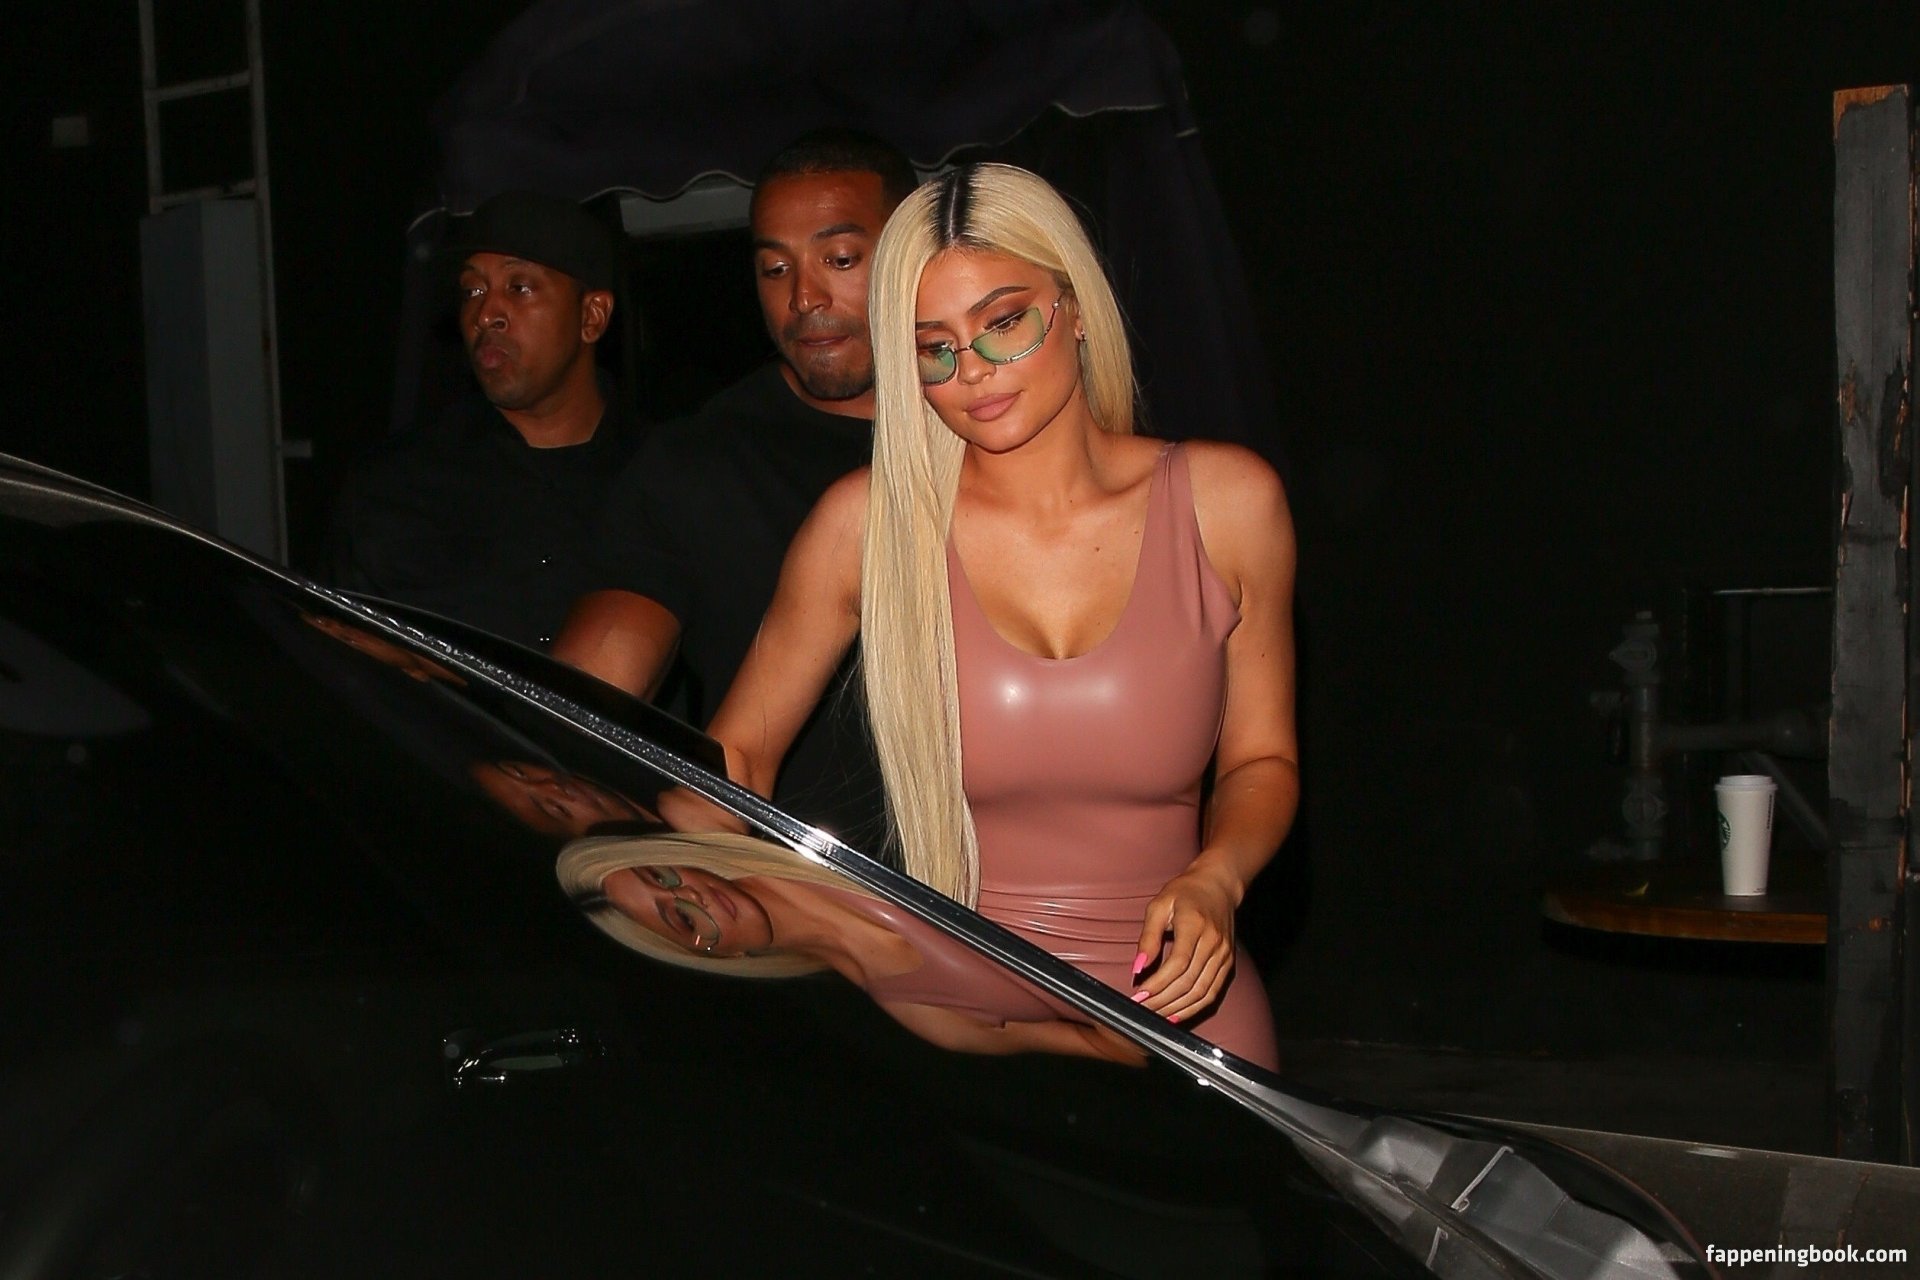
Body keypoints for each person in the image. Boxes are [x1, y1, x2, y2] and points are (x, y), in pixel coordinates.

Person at [689, 164, 1297, 1070]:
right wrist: (651, 876)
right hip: (960, 1014)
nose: (972, 370)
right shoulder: (869, 526)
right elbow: (730, 765)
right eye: (933, 347)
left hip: (1176, 1000)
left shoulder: (1227, 503)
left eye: (1004, 323)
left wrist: (1218, 875)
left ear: (1075, 307)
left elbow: (1262, 760)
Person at [552, 129, 918, 853]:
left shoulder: (998, 432)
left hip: (1019, 889)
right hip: (794, 892)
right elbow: (587, 699)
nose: (804, 297)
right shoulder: (699, 463)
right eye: (775, 268)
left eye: (841, 260)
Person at [324, 190, 636, 651]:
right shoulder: (395, 485)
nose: (485, 314)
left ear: (591, 316)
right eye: (472, 290)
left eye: (519, 287)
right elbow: (343, 662)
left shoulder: (665, 480)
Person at [557, 832, 1144, 1064]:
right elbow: (1127, 1052)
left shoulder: (814, 831)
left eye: (663, 876)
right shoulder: (924, 1010)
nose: (691, 896)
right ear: (712, 955)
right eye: (681, 919)